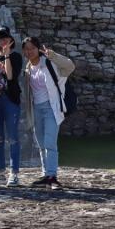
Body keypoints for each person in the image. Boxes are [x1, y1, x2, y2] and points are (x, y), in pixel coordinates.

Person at [21, 36, 75, 187]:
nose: (29, 51)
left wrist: (53, 55)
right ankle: (46, 174)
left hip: (51, 107)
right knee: (41, 143)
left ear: (38, 48)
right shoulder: (28, 68)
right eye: (26, 49)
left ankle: (52, 176)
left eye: (32, 48)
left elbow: (70, 66)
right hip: (36, 109)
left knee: (50, 143)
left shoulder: (50, 63)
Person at [0, 26, 24, 186]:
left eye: (5, 37)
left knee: (13, 138)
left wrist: (6, 56)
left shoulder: (15, 57)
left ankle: (14, 173)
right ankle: (0, 172)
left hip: (9, 100)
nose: (3, 40)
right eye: (0, 38)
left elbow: (10, 75)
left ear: (11, 39)